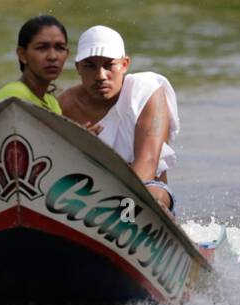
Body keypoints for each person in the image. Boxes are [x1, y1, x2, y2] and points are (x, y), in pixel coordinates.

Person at [57, 25, 181, 214]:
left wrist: (118, 215)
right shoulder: (66, 104)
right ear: (78, 68)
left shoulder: (146, 91)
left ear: (125, 64)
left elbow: (147, 163)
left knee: (151, 192)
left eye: (109, 65)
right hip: (89, 198)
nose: (100, 76)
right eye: (90, 66)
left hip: (144, 196)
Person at [0, 15, 69, 115]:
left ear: (67, 54)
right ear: (22, 54)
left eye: (60, 48)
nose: (53, 56)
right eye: (42, 48)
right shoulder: (13, 97)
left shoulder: (51, 102)